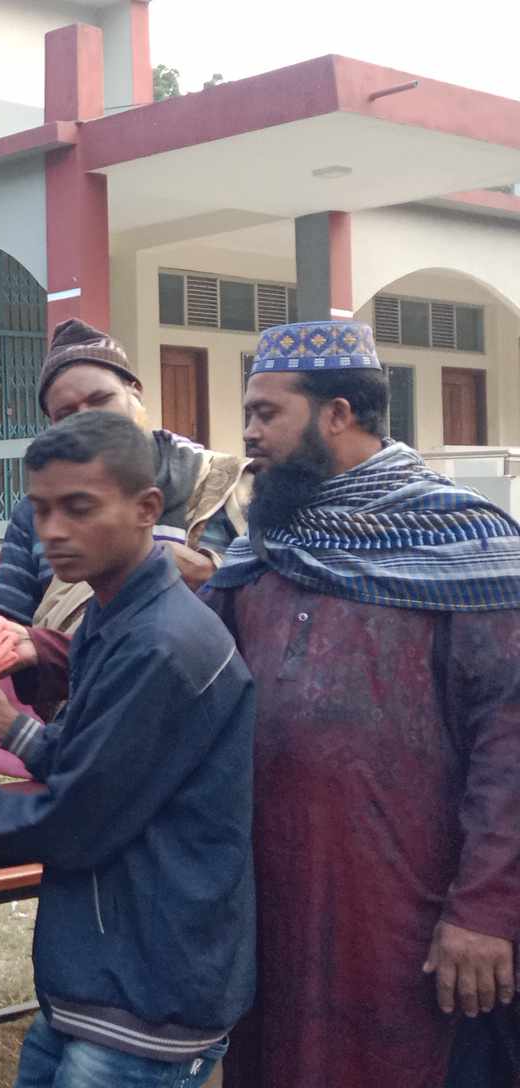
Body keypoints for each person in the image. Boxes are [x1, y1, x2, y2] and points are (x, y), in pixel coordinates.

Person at [0, 409, 254, 1088]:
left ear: (147, 509)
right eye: (41, 509)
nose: (52, 531)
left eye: (79, 508)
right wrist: (13, 727)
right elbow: (100, 763)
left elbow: (76, 820)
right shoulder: (114, 615)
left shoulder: (164, 645)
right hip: (99, 969)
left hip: (148, 990)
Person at [205, 321, 520, 1088]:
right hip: (272, 901)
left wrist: (485, 911)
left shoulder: (467, 547)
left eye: (266, 413)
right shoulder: (261, 549)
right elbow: (180, 670)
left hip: (407, 913)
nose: (248, 434)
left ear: (337, 414)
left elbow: (510, 748)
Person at [0, 318, 248, 640]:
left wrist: (203, 573)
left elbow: (266, 606)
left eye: (100, 400)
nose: (89, 418)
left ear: (135, 392)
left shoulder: (222, 485)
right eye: (66, 413)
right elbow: (4, 621)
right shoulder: (37, 511)